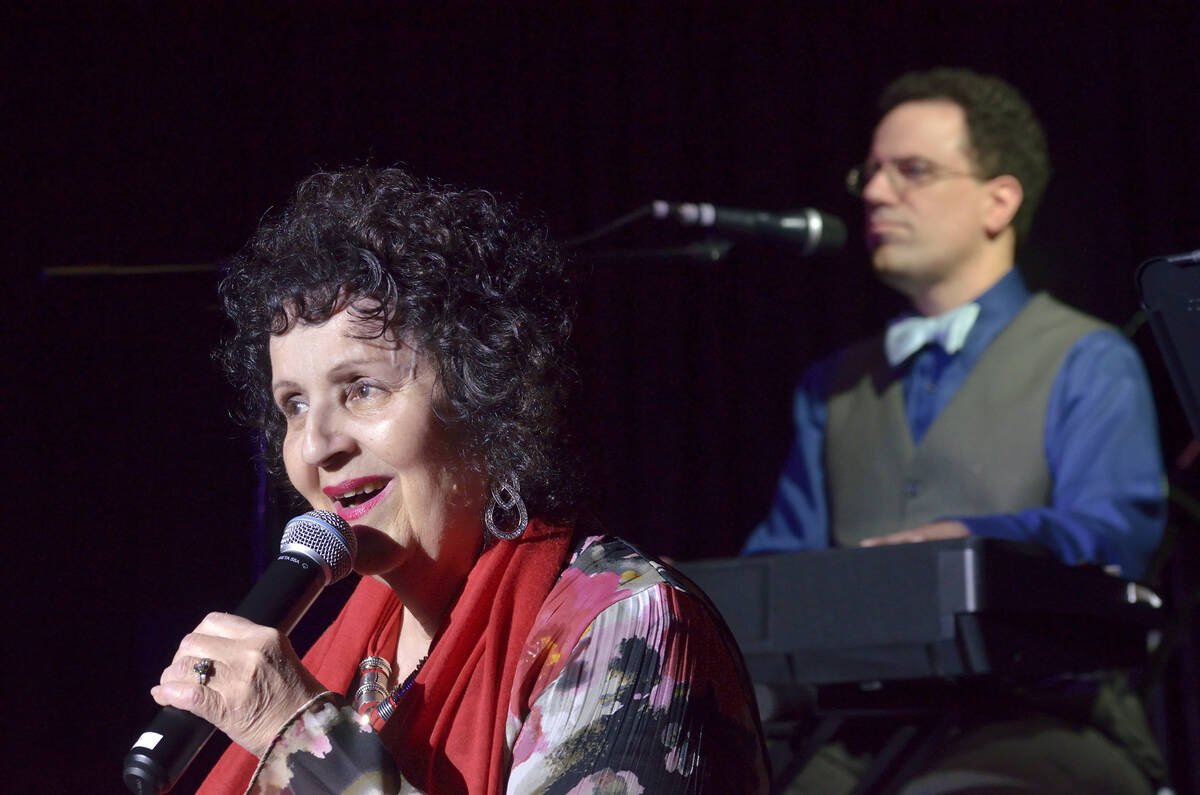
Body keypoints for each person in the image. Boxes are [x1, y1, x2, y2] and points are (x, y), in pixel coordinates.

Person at [149, 166, 769, 794]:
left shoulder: (630, 626)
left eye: (362, 390)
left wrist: (300, 737)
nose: (316, 447)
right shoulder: (358, 649)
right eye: (295, 405)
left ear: (485, 399)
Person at [743, 68, 1167, 792]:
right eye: (870, 172)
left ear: (999, 200)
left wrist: (970, 543)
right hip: (862, 731)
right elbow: (779, 570)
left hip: (1046, 721)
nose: (875, 193)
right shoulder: (832, 384)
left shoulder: (1087, 358)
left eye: (911, 171)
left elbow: (1114, 534)